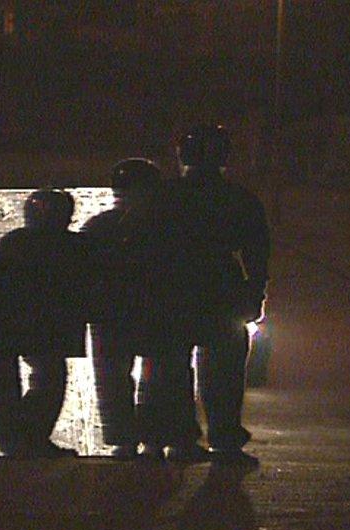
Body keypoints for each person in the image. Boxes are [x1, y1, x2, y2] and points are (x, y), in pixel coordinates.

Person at [167, 124, 270, 466]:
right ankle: (224, 437)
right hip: (222, 287)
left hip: (176, 288)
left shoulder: (167, 197)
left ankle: (181, 438)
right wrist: (255, 294)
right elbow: (257, 253)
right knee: (225, 370)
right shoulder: (239, 199)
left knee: (175, 367)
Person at [0, 189, 93, 458]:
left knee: (9, 384)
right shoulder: (71, 247)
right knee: (46, 377)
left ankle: (21, 439)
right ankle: (26, 438)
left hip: (3, 328)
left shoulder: (15, 243)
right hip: (31, 328)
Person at [81, 158, 162, 459]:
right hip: (152, 309)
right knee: (158, 373)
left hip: (110, 312)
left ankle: (123, 439)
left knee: (112, 377)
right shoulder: (162, 227)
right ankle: (154, 438)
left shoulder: (99, 226)